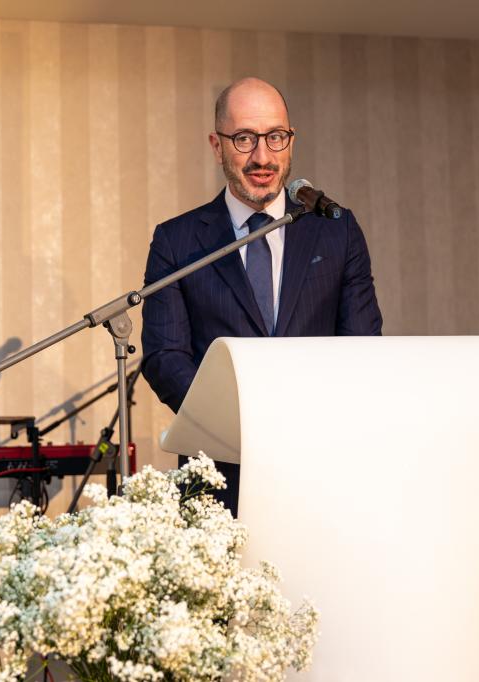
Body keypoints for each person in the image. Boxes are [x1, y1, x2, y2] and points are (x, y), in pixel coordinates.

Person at [141, 77, 383, 513]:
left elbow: (362, 346)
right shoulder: (177, 242)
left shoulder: (336, 230)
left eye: (275, 137)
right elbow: (165, 357)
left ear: (291, 141)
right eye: (244, 139)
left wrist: (302, 426)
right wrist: (239, 427)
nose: (262, 156)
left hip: (320, 466)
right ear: (217, 146)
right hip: (218, 471)